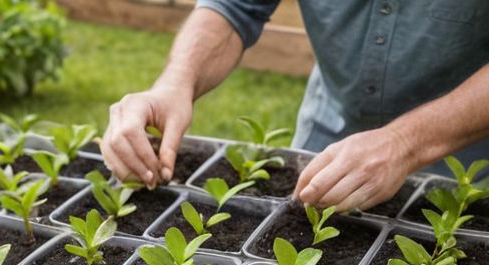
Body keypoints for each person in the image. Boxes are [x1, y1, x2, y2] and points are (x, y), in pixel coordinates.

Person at [101, 1, 489, 211]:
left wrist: (405, 142)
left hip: (468, 169)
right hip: (326, 137)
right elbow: (234, 7)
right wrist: (174, 84)